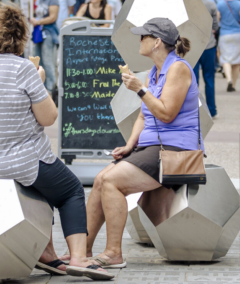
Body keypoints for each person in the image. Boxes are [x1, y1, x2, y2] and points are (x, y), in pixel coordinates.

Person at [0, 4, 113, 281]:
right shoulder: (23, 69)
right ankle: (79, 257)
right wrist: (39, 81)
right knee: (70, 190)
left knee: (43, 189)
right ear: (20, 36)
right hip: (17, 161)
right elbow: (49, 117)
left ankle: (46, 252)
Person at [85, 18, 201, 269]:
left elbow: (167, 113)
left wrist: (140, 90)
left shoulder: (178, 69)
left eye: (143, 36)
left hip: (175, 149)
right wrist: (129, 145)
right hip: (152, 147)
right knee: (99, 180)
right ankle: (81, 252)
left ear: (157, 42)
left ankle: (113, 252)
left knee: (111, 181)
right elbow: (143, 115)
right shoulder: (154, 71)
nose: (139, 40)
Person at [193, 0, 219, 118]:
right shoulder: (211, 4)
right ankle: (212, 110)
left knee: (193, 80)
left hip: (191, 46)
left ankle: (194, 109)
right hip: (209, 45)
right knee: (209, 79)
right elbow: (215, 25)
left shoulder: (188, 4)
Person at [216, 0, 240, 92]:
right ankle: (233, 84)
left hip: (224, 34)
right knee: (237, 61)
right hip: (238, 34)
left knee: (226, 59)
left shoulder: (220, 4)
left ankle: (228, 79)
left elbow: (218, 19)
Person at [32, 0, 60, 95]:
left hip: (48, 32)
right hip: (39, 33)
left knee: (48, 61)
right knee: (38, 60)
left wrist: (38, 21)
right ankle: (41, 86)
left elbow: (53, 17)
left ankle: (51, 88)